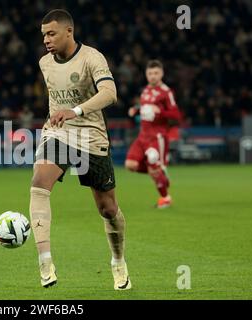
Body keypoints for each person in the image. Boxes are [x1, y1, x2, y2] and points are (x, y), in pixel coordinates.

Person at [30, 9, 130, 290]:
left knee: (108, 209)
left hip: (92, 138)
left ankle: (118, 261)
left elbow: (110, 94)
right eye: (43, 35)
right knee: (39, 184)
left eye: (51, 33)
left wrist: (75, 110)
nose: (46, 40)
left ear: (69, 32)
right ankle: (45, 261)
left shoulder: (92, 57)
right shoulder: (44, 63)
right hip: (58, 134)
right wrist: (59, 118)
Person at [125, 60, 181, 208]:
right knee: (130, 165)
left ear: (161, 73)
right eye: (150, 73)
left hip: (157, 137)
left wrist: (160, 112)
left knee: (152, 162)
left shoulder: (166, 92)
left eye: (156, 73)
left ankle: (165, 198)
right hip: (142, 136)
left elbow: (176, 115)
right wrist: (136, 109)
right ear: (146, 74)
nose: (153, 76)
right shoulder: (146, 90)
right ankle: (160, 174)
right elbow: (146, 107)